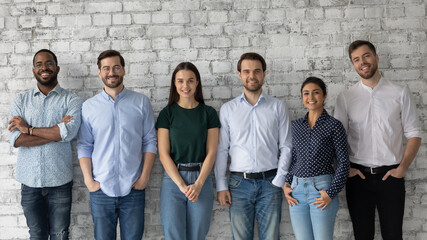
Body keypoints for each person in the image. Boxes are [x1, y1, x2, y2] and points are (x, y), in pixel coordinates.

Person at [334, 40, 422, 240]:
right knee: (362, 236)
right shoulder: (346, 97)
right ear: (353, 65)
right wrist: (345, 168)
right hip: (358, 179)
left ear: (376, 57)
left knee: (393, 236)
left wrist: (402, 169)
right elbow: (336, 138)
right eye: (356, 59)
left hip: (391, 177)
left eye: (366, 56)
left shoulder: (399, 92)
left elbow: (414, 134)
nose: (362, 62)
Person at [77, 50, 157, 240]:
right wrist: (89, 181)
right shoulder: (89, 107)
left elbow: (150, 141)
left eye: (116, 67)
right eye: (106, 68)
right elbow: (84, 145)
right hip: (101, 189)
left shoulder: (141, 102)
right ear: (99, 72)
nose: (111, 72)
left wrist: (144, 177)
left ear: (123, 70)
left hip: (133, 188)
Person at [214, 52, 292, 240]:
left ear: (264, 74)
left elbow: (287, 146)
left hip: (270, 182)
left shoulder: (277, 107)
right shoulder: (228, 109)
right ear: (239, 74)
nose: (252, 76)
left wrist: (279, 179)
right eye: (247, 71)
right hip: (238, 184)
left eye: (257, 71)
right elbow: (222, 150)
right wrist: (221, 185)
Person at [8, 49, 82, 239]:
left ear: (57, 68)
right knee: (36, 234)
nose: (44, 68)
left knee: (60, 234)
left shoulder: (71, 99)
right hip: (30, 182)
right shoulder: (21, 100)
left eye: (48, 63)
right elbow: (17, 139)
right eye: (39, 64)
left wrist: (30, 129)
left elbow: (70, 132)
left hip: (60, 181)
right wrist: (58, 132)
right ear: (33, 70)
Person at [156, 62, 220, 240]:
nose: (185, 86)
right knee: (173, 235)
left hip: (202, 178)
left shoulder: (209, 113)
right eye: (180, 81)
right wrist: (182, 186)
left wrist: (198, 184)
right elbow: (163, 154)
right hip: (173, 181)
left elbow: (212, 152)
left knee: (197, 235)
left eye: (190, 80)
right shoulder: (167, 114)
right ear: (174, 84)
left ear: (197, 82)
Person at [283, 77, 350, 240]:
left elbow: (343, 162)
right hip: (296, 191)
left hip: (321, 190)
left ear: (325, 95)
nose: (311, 97)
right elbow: (295, 159)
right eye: (306, 93)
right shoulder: (297, 125)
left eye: (316, 92)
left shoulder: (334, 125)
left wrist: (331, 192)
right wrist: (286, 183)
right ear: (302, 97)